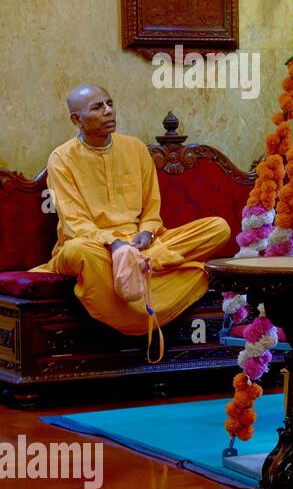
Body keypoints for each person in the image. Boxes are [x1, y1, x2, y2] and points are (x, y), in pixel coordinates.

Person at [31, 85, 231, 336]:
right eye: (97, 107)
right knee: (77, 250)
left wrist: (147, 232)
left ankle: (140, 264)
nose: (109, 111)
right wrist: (114, 244)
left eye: (110, 103)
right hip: (97, 249)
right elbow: (74, 222)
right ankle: (143, 279)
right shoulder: (61, 159)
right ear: (76, 119)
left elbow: (151, 208)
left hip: (143, 245)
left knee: (217, 228)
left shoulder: (135, 149)